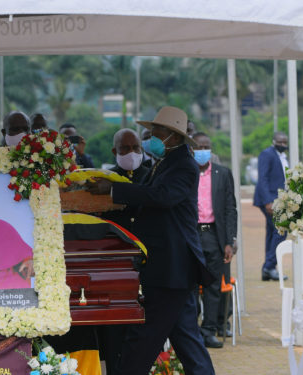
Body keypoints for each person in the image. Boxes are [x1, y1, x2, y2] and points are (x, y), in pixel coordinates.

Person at [87, 106, 214, 375]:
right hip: (171, 269)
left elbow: (161, 196)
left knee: (143, 339)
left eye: (157, 132)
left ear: (174, 136)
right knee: (186, 340)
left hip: (172, 268)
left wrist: (114, 190)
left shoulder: (184, 166)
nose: (151, 137)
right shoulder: (166, 162)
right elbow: (150, 200)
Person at [191, 132, 237, 349]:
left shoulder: (223, 173)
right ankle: (191, 330)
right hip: (191, 235)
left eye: (206, 146)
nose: (202, 150)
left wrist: (229, 241)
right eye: (198, 147)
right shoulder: (186, 173)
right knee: (190, 284)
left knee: (212, 286)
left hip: (214, 237)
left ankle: (209, 330)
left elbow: (230, 209)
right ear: (192, 149)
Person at [254, 132, 289, 281]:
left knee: (272, 232)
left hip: (279, 200)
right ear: (274, 141)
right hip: (269, 200)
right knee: (280, 230)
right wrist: (268, 201)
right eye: (280, 142)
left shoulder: (283, 157)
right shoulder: (267, 154)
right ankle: (269, 266)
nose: (282, 145)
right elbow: (263, 178)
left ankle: (267, 269)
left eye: (285, 143)